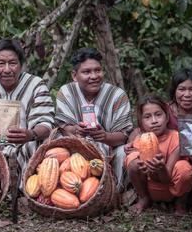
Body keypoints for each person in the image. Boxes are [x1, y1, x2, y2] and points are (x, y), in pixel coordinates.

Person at [0, 38, 54, 177]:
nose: (7, 69)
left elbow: (46, 124)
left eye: (12, 63)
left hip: (28, 147)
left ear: (21, 65)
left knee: (42, 147)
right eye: (1, 63)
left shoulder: (36, 85)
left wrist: (31, 134)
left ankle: (28, 190)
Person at [55, 48, 133, 191]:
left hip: (109, 152)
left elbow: (124, 136)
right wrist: (75, 130)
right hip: (74, 151)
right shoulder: (66, 92)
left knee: (124, 152)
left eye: (98, 70)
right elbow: (63, 127)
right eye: (87, 72)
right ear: (74, 75)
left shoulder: (117, 95)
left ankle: (113, 192)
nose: (94, 76)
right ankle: (73, 190)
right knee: (56, 149)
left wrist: (105, 137)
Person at [125, 95, 192, 215]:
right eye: (147, 117)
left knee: (184, 168)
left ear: (167, 117)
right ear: (141, 122)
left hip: (170, 188)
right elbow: (134, 169)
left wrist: (161, 168)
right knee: (132, 160)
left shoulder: (177, 138)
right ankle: (144, 198)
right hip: (150, 188)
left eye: (158, 114)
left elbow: (166, 179)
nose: (154, 121)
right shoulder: (139, 140)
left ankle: (180, 203)